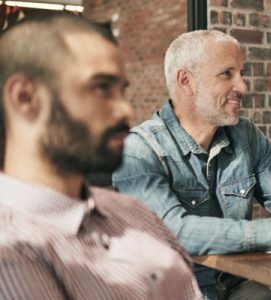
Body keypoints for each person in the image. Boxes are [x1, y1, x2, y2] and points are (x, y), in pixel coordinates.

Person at [112, 30, 271, 300]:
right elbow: (172, 231)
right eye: (226, 74)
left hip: (235, 286)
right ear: (186, 81)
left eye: (241, 73)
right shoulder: (137, 149)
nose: (242, 86)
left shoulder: (246, 135)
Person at [0, 15, 200, 299]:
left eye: (121, 90)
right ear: (25, 97)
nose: (125, 111)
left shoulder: (133, 211)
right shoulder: (10, 247)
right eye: (101, 88)